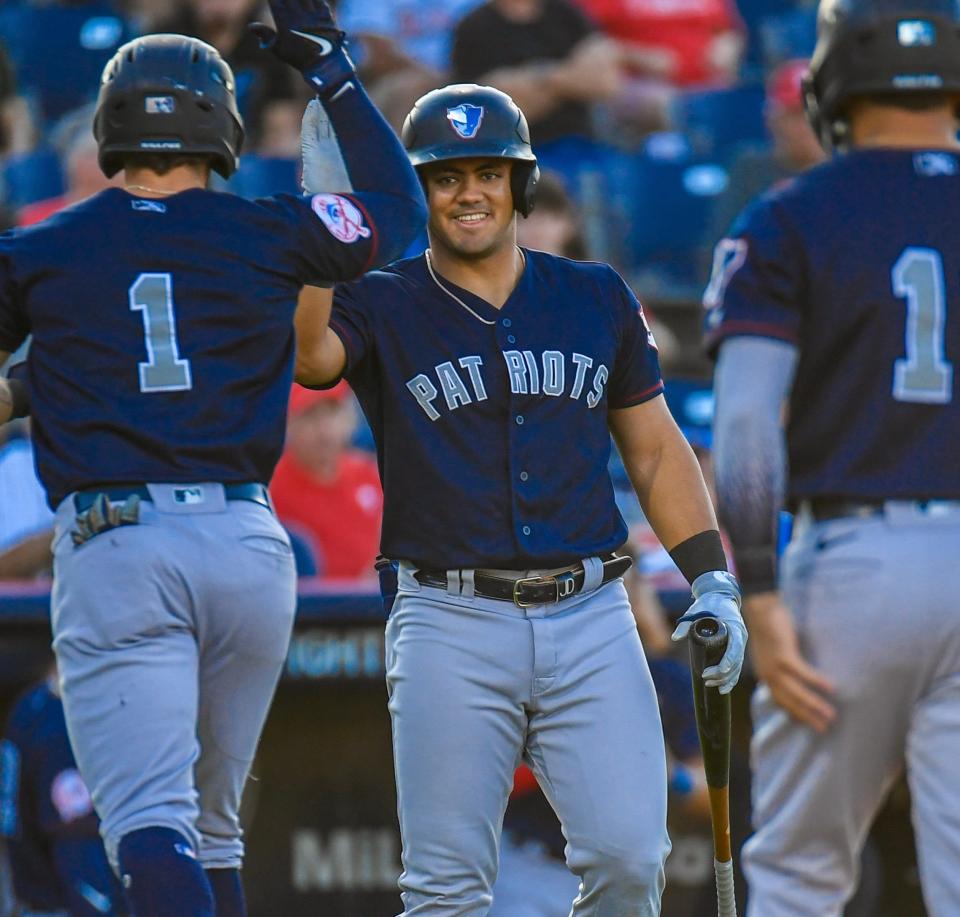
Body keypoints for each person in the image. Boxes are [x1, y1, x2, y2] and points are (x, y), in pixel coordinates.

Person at [0, 0, 426, 913]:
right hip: (246, 547)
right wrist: (334, 71)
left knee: (151, 832)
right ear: (220, 127)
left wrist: (46, 383)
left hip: (121, 547)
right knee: (214, 830)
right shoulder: (267, 231)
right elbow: (400, 212)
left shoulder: (40, 250)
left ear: (112, 128)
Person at [293, 81, 746, 914]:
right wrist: (323, 230)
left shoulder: (594, 292)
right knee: (446, 886)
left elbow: (653, 449)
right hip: (449, 614)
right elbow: (312, 359)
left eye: (488, 173)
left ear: (520, 183)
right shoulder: (384, 299)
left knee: (627, 858)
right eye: (446, 176)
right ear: (422, 193)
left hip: (593, 608)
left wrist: (710, 576)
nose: (470, 192)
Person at [704, 1, 960, 914]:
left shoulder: (792, 214)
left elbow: (742, 429)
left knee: (801, 876)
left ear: (833, 85)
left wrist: (760, 593)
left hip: (857, 565)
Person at [0, 665, 128, 916]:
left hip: (40, 888)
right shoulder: (48, 716)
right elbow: (14, 826)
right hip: (57, 895)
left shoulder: (30, 707)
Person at [450, 0, 621, 145]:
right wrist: (570, 80)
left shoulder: (567, 14)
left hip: (577, 142)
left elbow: (607, 83)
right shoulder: (473, 27)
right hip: (508, 147)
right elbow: (492, 108)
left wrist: (541, 78)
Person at [270, 381, 383, 579]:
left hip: (370, 605)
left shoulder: (371, 475)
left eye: (332, 412)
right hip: (307, 605)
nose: (325, 430)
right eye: (310, 416)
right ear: (288, 423)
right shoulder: (270, 485)